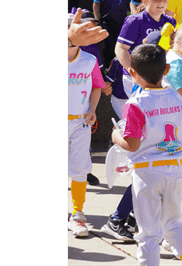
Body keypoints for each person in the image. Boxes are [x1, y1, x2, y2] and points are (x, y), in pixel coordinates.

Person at [112, 43, 182, 266]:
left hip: (147, 172)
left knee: (149, 233)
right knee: (175, 224)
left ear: (132, 72)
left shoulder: (135, 104)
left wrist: (115, 135)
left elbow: (131, 144)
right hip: (176, 169)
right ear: (166, 70)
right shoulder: (179, 99)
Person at [66, 30, 103, 238]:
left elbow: (97, 86)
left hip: (80, 122)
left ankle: (78, 213)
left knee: (80, 168)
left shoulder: (90, 60)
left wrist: (92, 109)